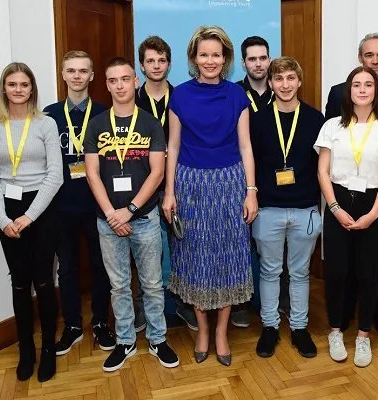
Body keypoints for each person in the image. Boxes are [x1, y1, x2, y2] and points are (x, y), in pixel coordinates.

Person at [163, 26, 256, 367]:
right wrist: (170, 191)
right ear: (194, 58)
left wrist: (251, 191)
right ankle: (202, 329)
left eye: (216, 54)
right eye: (204, 54)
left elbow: (246, 146)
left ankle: (221, 332)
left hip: (230, 184)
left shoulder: (236, 95)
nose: (210, 60)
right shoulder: (181, 95)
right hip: (189, 185)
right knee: (195, 258)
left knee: (228, 258)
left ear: (226, 59)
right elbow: (172, 146)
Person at [84, 56, 179, 372]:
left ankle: (157, 339)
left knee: (152, 284)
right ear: (107, 84)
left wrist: (131, 210)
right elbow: (92, 173)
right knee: (120, 286)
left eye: (126, 78)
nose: (120, 85)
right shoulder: (97, 124)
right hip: (107, 220)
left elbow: (157, 172)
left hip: (146, 218)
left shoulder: (150, 123)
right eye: (113, 80)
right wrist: (113, 213)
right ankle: (125, 341)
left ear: (135, 81)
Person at [0, 62, 63, 382]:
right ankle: (26, 350)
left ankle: (47, 350)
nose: (18, 90)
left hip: (41, 208)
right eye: (12, 84)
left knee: (43, 281)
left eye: (24, 84)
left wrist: (29, 216)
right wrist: (3, 220)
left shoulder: (44, 124)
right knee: (19, 282)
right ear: (4, 88)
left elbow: (55, 175)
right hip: (7, 209)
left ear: (32, 89)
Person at [316, 66, 378, 368]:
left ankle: (363, 336)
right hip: (338, 202)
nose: (362, 89)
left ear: (376, 91)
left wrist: (373, 214)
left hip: (372, 204)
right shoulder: (332, 127)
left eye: (368, 84)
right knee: (337, 273)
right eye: (356, 85)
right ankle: (336, 331)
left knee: (368, 274)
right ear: (348, 91)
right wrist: (335, 208)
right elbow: (322, 172)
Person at [325, 33, 378, 336]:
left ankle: (376, 314)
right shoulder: (339, 92)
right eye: (368, 55)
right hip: (346, 188)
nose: (374, 61)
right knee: (344, 262)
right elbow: (336, 138)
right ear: (360, 58)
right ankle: (344, 312)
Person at [251, 56, 324, 358]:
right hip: (268, 209)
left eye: (290, 78)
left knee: (300, 272)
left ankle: (299, 328)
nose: (285, 84)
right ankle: (269, 327)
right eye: (278, 79)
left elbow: (323, 166)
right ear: (270, 83)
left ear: (299, 81)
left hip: (305, 209)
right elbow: (250, 162)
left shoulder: (315, 118)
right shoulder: (258, 119)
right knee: (269, 272)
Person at [43, 51, 115, 356]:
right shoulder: (48, 115)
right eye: (71, 70)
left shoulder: (104, 113)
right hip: (61, 205)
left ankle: (100, 322)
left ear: (92, 76)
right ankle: (72, 325)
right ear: (63, 74)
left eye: (83, 71)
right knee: (67, 269)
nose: (76, 76)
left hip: (97, 204)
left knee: (101, 267)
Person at [134, 35, 198, 332]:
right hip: (141, 184)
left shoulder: (183, 96)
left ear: (170, 64)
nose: (156, 65)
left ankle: (182, 306)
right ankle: (148, 308)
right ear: (142, 65)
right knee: (147, 251)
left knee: (180, 248)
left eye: (161, 60)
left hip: (178, 182)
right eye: (150, 61)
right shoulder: (131, 101)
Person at [232, 35, 273, 328]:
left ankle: (269, 301)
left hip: (274, 180)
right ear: (243, 62)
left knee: (271, 245)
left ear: (268, 59)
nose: (258, 64)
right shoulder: (233, 94)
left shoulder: (282, 89)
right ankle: (241, 303)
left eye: (262, 58)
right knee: (241, 245)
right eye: (252, 59)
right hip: (240, 180)